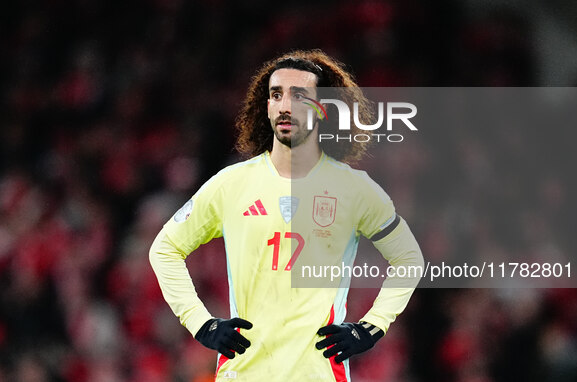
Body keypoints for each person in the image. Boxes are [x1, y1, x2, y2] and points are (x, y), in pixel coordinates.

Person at [149, 49, 423, 381]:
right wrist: (201, 323)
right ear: (266, 107)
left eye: (299, 95)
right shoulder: (231, 184)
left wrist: (371, 327)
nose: (285, 105)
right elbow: (164, 249)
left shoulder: (355, 189)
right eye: (276, 95)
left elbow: (409, 258)